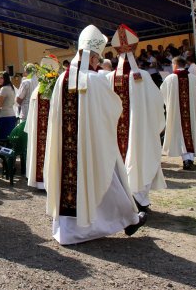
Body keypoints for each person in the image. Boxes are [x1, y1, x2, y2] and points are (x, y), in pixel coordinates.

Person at [45, 25, 145, 245]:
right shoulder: (97, 80)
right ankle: (127, 218)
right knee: (105, 177)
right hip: (92, 144)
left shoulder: (62, 79)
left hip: (68, 148)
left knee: (78, 181)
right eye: (97, 58)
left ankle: (70, 229)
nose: (98, 62)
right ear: (91, 57)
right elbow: (113, 109)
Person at [107, 25, 166, 211]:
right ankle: (140, 199)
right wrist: (155, 125)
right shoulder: (144, 77)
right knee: (141, 159)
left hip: (115, 132)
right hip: (140, 132)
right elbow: (158, 104)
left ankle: (126, 200)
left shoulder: (109, 78)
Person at [161, 56, 196, 170]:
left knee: (180, 134)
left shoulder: (170, 78)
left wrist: (168, 105)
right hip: (191, 113)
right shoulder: (193, 78)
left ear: (175, 65)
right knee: (191, 131)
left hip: (176, 112)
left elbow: (162, 95)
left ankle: (186, 159)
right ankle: (190, 159)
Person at [25, 56, 59, 190]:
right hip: (47, 128)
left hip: (42, 129)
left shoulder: (41, 88)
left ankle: (42, 181)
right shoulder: (51, 87)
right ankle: (44, 181)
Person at [0, 72, 17, 138]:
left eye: (1, 78)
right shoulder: (11, 87)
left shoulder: (4, 88)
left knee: (2, 139)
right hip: (12, 115)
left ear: (6, 79)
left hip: (4, 117)